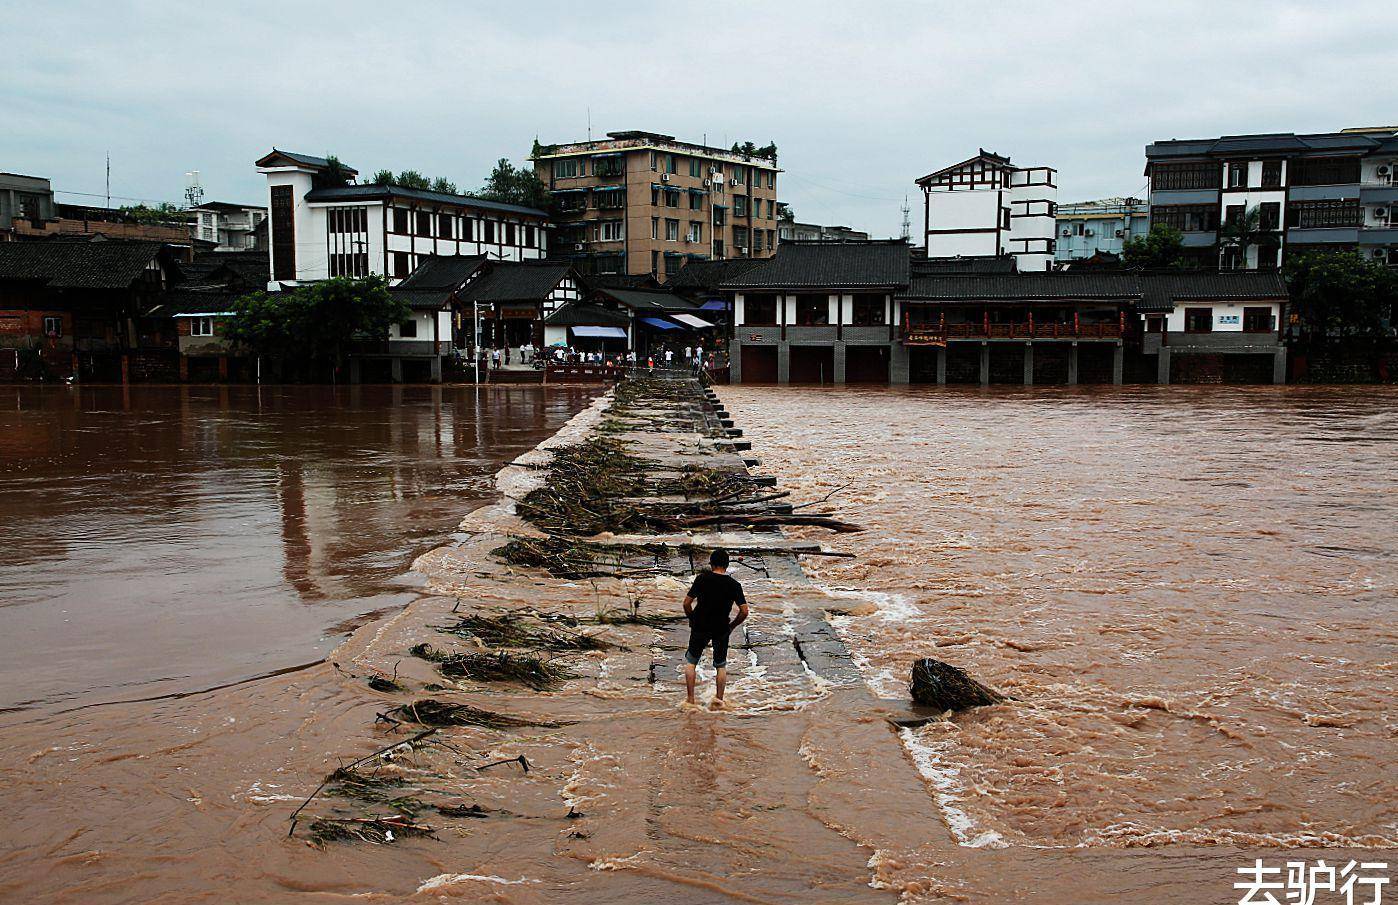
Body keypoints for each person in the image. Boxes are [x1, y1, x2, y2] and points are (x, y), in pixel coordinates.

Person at [682, 548, 748, 710]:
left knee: (691, 663)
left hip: (700, 625)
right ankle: (719, 701)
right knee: (720, 665)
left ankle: (690, 700)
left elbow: (686, 603)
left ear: (711, 564)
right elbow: (744, 611)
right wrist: (732, 626)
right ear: (727, 565)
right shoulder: (734, 585)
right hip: (721, 627)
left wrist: (692, 618)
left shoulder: (702, 579)